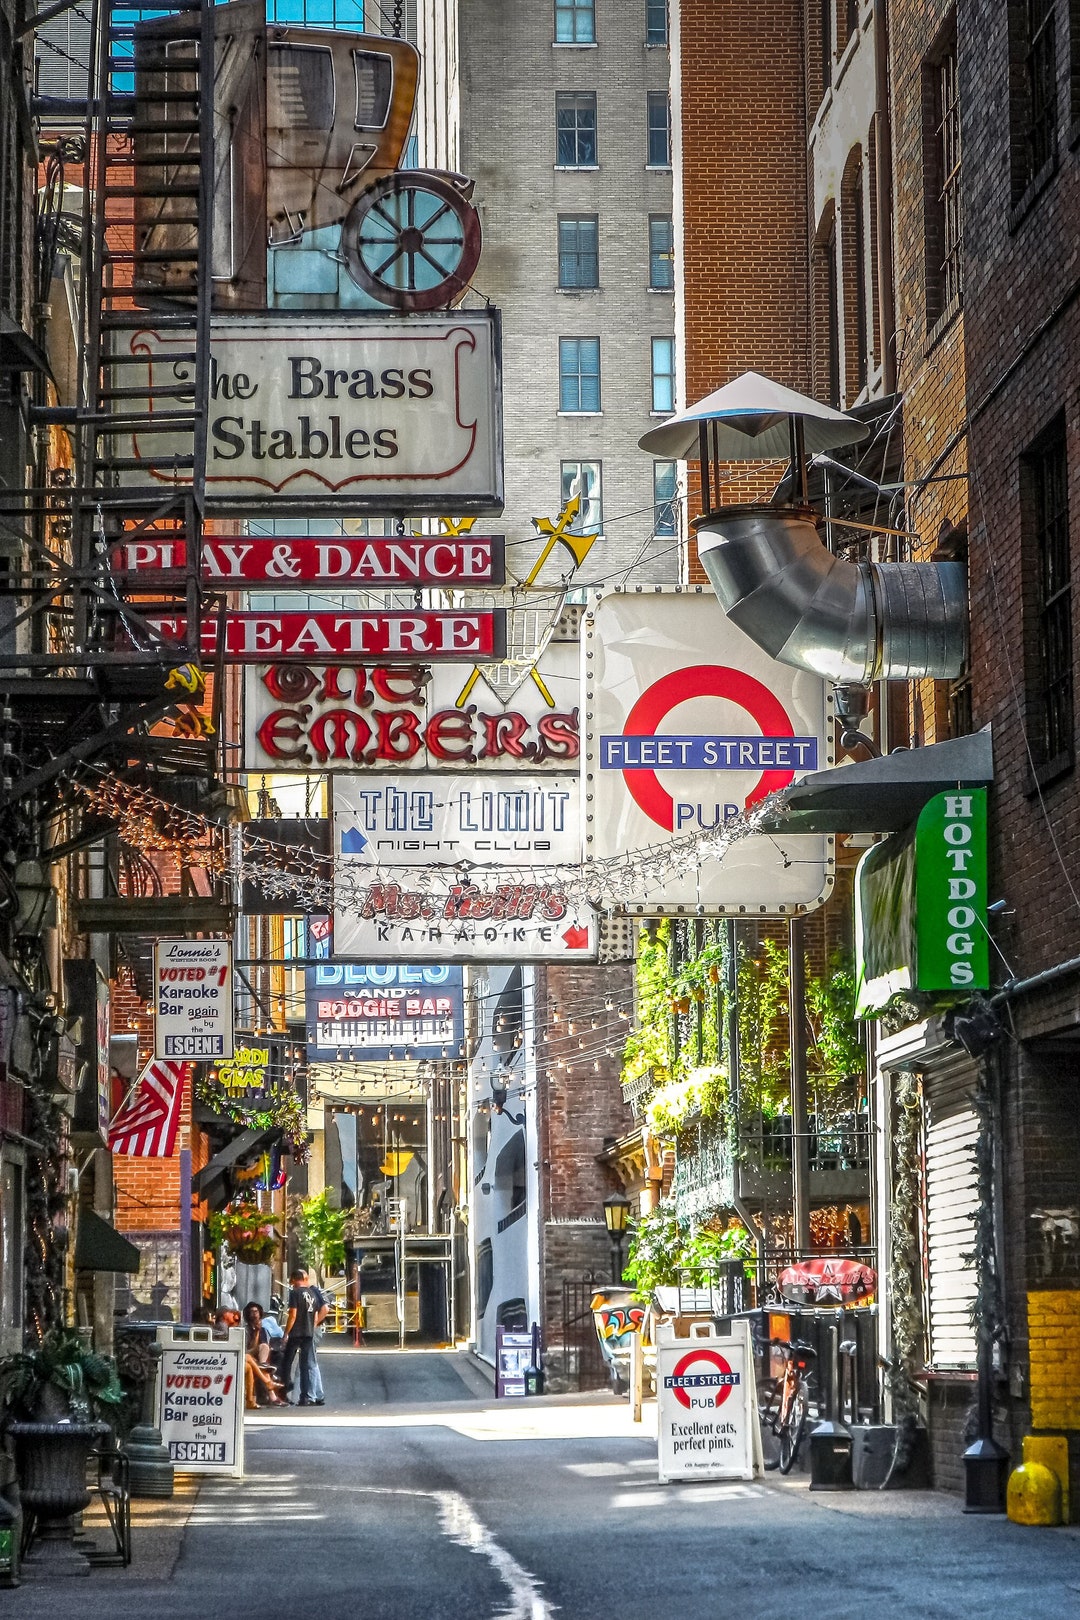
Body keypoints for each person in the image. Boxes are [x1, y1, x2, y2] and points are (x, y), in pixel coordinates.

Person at [281, 1268, 326, 1405]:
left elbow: (293, 1314)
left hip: (296, 1332)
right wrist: (313, 1325)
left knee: (287, 1363)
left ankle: (284, 1392)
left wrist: (286, 1333)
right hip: (308, 1333)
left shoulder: (295, 1293)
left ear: (294, 1279)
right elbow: (317, 1313)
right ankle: (305, 1396)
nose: (291, 1283)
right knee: (305, 1364)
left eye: (291, 1280)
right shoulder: (312, 1293)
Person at [243, 1302, 284, 1409]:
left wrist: (259, 1331)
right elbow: (250, 1347)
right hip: (248, 1353)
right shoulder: (245, 1329)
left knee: (265, 1347)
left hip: (258, 1357)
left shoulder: (264, 1330)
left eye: (256, 1311)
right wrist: (256, 1333)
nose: (254, 1314)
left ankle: (263, 1365)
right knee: (263, 1350)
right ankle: (273, 1396)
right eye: (251, 1312)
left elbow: (264, 1346)